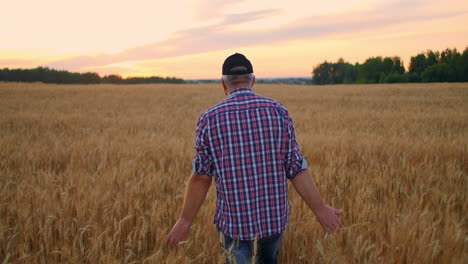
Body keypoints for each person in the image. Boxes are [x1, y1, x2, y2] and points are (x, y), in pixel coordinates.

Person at [166, 53, 343, 263]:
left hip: (234, 225)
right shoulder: (278, 112)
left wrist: (185, 221)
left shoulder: (209, 119)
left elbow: (201, 177)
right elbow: (296, 168)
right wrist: (320, 210)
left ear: (223, 84)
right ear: (253, 80)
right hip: (272, 222)